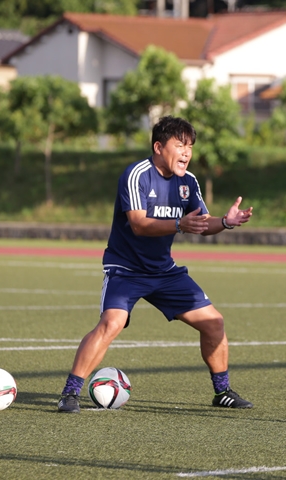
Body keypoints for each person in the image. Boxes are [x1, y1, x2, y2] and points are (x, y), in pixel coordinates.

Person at [58, 116, 254, 413]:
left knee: (214, 323)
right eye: (180, 145)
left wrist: (225, 222)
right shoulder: (137, 174)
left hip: (164, 271)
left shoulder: (188, 182)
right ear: (159, 147)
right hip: (125, 270)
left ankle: (222, 391)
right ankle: (70, 393)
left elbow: (200, 223)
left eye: (190, 146)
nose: (187, 152)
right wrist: (179, 224)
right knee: (112, 323)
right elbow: (138, 224)